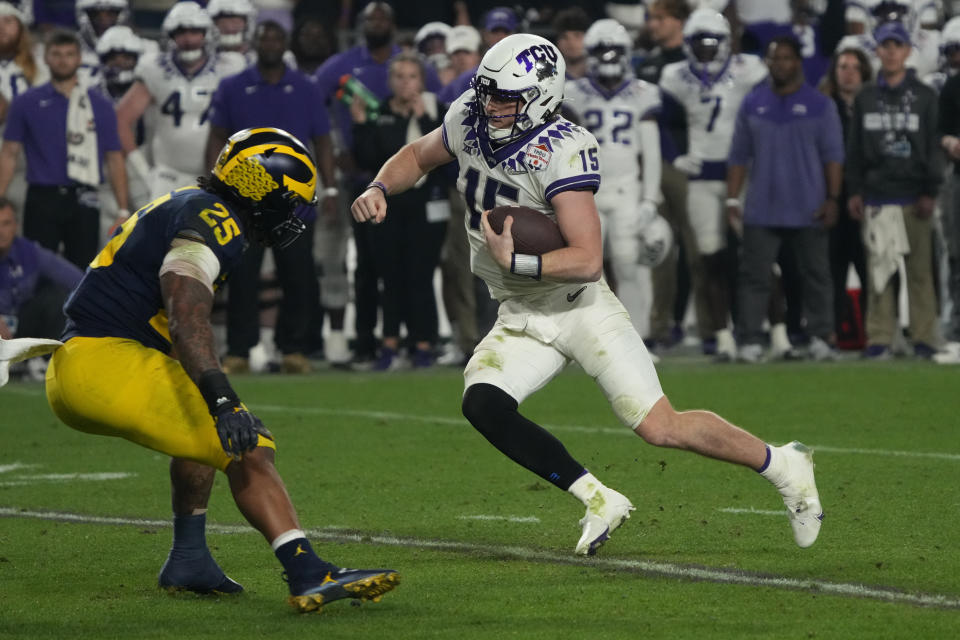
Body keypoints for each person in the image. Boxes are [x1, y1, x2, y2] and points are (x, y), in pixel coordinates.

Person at [352, 33, 824, 556]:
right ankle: (597, 498)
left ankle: (783, 464)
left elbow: (586, 259)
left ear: (542, 97)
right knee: (482, 403)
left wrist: (519, 261)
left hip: (581, 307)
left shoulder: (563, 148)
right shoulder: (471, 116)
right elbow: (418, 155)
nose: (491, 104)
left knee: (659, 426)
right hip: (520, 312)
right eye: (487, 91)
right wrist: (378, 187)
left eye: (506, 96)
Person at [46, 127, 399, 612]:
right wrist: (223, 398)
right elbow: (186, 314)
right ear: (261, 191)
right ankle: (307, 572)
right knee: (248, 443)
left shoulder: (192, 202)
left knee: (207, 430)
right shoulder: (216, 220)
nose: (291, 216)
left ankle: (189, 559)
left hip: (79, 365)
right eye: (288, 201)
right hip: (102, 364)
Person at [205, 20, 336, 374]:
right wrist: (216, 185)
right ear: (254, 42)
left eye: (277, 37)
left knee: (298, 274)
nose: (271, 43)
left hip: (294, 196)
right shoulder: (233, 87)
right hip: (245, 193)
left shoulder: (306, 88)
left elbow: (323, 139)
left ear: (286, 44)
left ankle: (293, 349)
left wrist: (332, 186)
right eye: (265, 37)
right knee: (242, 275)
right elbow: (218, 137)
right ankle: (239, 351)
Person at [659, 8, 769, 361]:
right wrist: (675, 156)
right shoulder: (674, 76)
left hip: (742, 174)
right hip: (702, 175)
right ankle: (721, 335)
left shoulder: (749, 70)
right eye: (698, 43)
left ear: (724, 42)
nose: (705, 50)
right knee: (710, 258)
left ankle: (763, 329)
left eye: (711, 43)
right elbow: (662, 122)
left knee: (756, 255)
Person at [726, 36, 844, 363]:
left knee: (817, 275)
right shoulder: (753, 102)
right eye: (775, 58)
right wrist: (731, 200)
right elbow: (738, 156)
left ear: (798, 62)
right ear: (768, 62)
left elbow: (833, 157)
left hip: (810, 206)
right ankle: (749, 339)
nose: (781, 64)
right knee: (754, 277)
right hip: (761, 208)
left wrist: (833, 198)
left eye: (787, 58)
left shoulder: (821, 104)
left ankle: (821, 336)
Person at [564, 18, 667, 340]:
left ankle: (636, 338)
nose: (608, 58)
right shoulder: (573, 93)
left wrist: (650, 198)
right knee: (585, 270)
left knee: (627, 265)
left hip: (626, 189)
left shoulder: (643, 94)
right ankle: (589, 340)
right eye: (602, 51)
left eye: (614, 51)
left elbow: (651, 153)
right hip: (588, 191)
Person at [846, 20, 942, 358]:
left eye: (896, 46)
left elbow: (932, 147)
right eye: (884, 46)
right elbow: (855, 148)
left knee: (920, 274)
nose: (890, 52)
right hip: (877, 195)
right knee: (879, 275)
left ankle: (924, 338)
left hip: (914, 195)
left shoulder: (927, 97)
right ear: (877, 51)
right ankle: (880, 339)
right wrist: (855, 190)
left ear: (907, 51)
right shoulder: (866, 97)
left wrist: (930, 190)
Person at [0, 29, 128, 268]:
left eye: (69, 54)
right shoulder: (26, 103)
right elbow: (9, 153)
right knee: (35, 269)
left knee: (82, 271)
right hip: (41, 197)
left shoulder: (100, 106)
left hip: (85, 197)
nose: (62, 60)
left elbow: (114, 158)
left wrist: (122, 208)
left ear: (79, 59)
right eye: (56, 54)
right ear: (46, 58)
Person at [352, 51, 446, 370]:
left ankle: (424, 343)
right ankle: (389, 341)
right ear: (390, 81)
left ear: (422, 81)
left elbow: (446, 161)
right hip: (389, 204)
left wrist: (425, 120)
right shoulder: (380, 113)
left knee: (420, 275)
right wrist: (361, 124)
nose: (405, 83)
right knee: (389, 275)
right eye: (399, 77)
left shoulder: (437, 111)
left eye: (412, 76)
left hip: (427, 204)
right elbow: (370, 159)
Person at [637, 0, 712, 353]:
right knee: (660, 248)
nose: (653, 24)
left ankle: (711, 327)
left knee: (700, 250)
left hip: (694, 166)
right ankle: (661, 326)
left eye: (660, 18)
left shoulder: (694, 63)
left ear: (679, 21)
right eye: (652, 18)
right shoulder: (648, 64)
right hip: (657, 167)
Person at [116, 1, 245, 202]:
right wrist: (142, 169)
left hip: (215, 176)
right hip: (167, 175)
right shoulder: (154, 68)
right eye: (181, 32)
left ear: (206, 34)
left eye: (194, 32)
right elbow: (121, 119)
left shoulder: (230, 67)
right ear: (171, 36)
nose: (188, 39)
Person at [821, 46, 871, 350]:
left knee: (871, 270)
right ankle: (833, 334)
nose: (848, 72)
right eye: (842, 66)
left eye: (854, 67)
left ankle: (873, 334)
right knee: (832, 271)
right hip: (834, 202)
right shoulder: (824, 106)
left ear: (864, 72)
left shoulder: (876, 105)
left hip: (868, 199)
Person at [0, 197, 82, 344]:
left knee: (57, 296)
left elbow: (77, 280)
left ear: (16, 226)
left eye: (6, 224)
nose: (1, 232)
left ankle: (43, 360)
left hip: (21, 327)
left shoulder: (29, 252)